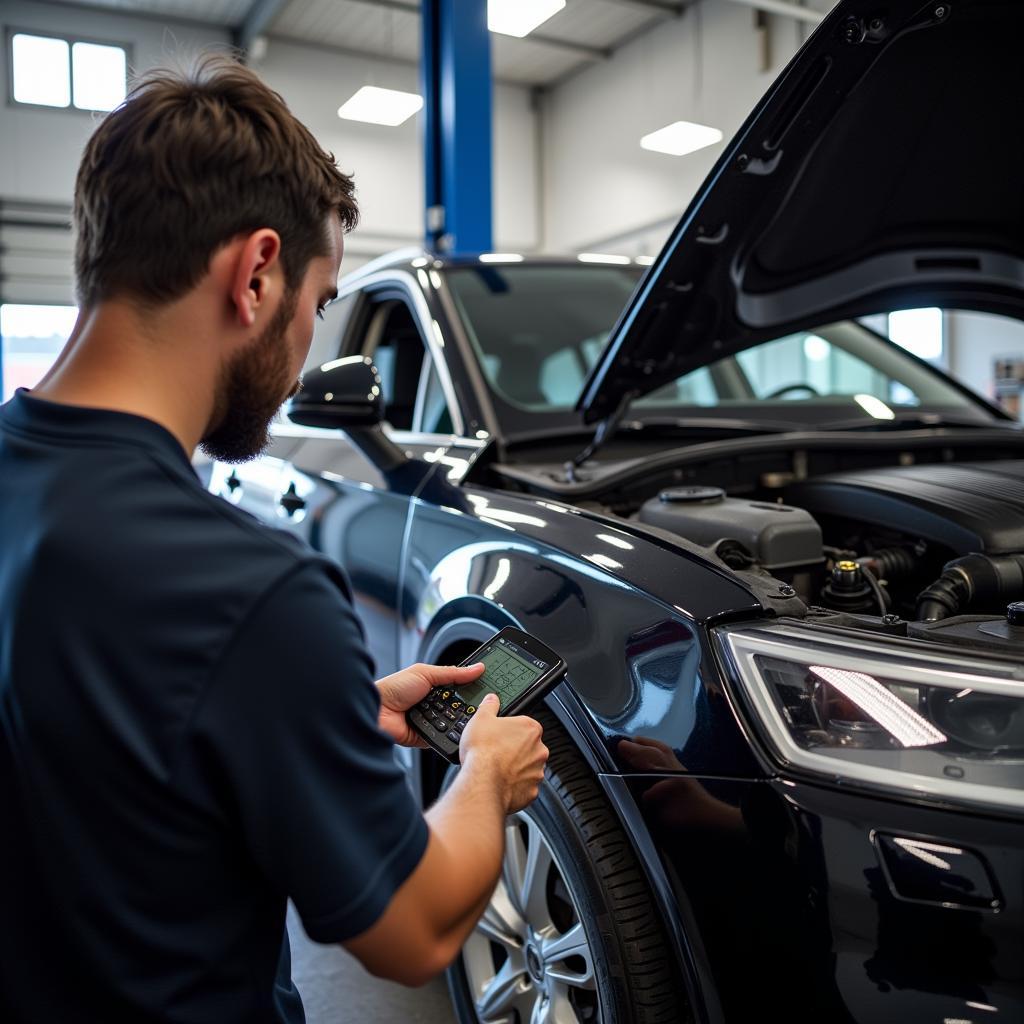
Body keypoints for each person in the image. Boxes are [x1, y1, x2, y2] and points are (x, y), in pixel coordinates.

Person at [0, 55, 549, 1023]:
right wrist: (483, 776)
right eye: (322, 300)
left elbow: (94, 724)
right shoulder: (251, 589)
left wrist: (307, 707)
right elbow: (410, 928)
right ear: (256, 272)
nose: (308, 343)